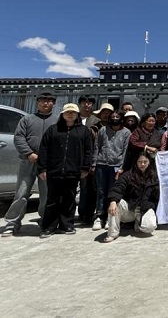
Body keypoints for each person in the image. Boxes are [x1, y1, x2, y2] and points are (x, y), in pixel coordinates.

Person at [1, 92, 58, 236]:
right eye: (43, 100)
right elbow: (19, 138)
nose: (46, 103)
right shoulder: (27, 119)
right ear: (38, 102)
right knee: (21, 192)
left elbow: (61, 140)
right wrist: (29, 153)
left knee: (46, 194)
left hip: (48, 163)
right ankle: (12, 223)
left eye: (49, 101)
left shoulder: (57, 121)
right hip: (28, 161)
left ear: (54, 103)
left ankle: (45, 221)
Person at [37, 103, 94, 238]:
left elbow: (88, 150)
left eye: (73, 113)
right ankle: (49, 227)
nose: (70, 115)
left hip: (73, 171)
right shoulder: (53, 130)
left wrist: (85, 168)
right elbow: (43, 149)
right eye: (67, 112)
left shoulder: (84, 131)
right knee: (52, 200)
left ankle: (66, 225)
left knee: (69, 199)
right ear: (62, 114)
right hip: (54, 171)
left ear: (77, 115)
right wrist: (42, 168)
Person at [104, 152, 160, 243]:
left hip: (144, 209)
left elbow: (156, 198)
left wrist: (149, 208)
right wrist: (113, 201)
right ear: (136, 162)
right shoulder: (128, 175)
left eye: (145, 162)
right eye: (140, 162)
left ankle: (138, 224)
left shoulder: (154, 178)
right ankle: (112, 233)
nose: (142, 164)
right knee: (115, 204)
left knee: (149, 227)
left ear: (149, 162)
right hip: (129, 207)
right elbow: (117, 187)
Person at [92, 111, 131, 231]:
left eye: (117, 117)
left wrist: (122, 166)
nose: (114, 118)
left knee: (112, 191)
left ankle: (111, 217)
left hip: (116, 165)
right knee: (101, 191)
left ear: (121, 119)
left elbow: (125, 150)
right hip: (102, 164)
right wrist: (94, 163)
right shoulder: (103, 130)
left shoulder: (126, 132)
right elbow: (97, 146)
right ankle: (99, 216)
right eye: (112, 117)